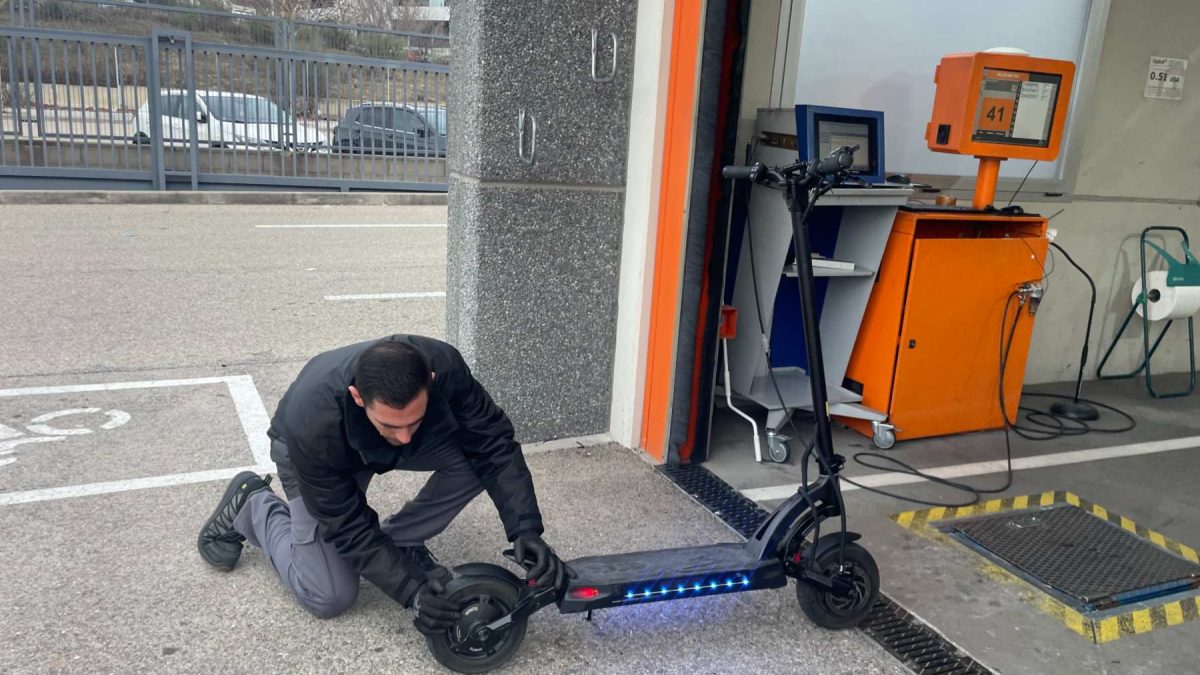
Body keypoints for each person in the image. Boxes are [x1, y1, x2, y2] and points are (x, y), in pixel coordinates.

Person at [195, 334, 566, 634]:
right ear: (358, 397)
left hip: (374, 442)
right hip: (320, 457)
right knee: (329, 595)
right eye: (391, 424)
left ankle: (400, 538)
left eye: (413, 420)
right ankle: (253, 505)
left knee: (475, 458)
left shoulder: (445, 367)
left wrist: (524, 529)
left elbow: (494, 445)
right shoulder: (314, 422)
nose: (404, 437)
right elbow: (348, 525)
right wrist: (413, 591)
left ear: (431, 381)